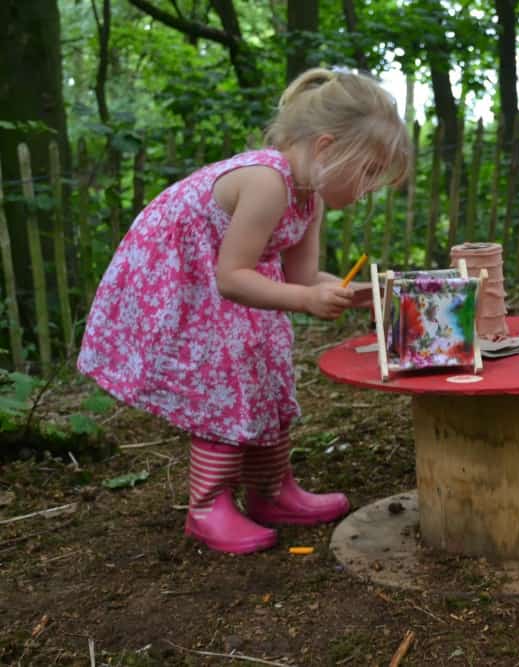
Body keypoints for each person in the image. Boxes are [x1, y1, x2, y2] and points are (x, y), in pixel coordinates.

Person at [77, 68, 411, 554]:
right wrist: (305, 301)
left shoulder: (307, 198)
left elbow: (300, 281)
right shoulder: (266, 182)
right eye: (366, 173)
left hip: (230, 283)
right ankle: (207, 506)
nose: (368, 189)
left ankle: (271, 491)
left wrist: (352, 291)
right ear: (324, 148)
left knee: (268, 365)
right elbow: (231, 277)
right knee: (226, 375)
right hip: (184, 284)